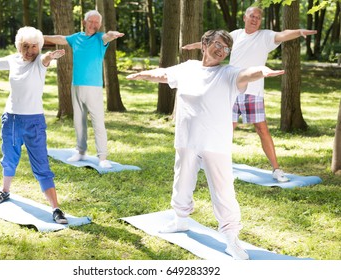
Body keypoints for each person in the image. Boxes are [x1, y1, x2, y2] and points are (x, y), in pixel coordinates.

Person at [127, 30, 284, 260]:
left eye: (226, 48)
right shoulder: (188, 67)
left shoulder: (229, 73)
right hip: (187, 139)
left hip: (215, 143)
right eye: (218, 44)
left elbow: (248, 73)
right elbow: (162, 74)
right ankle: (180, 219)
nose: (221, 50)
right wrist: (142, 75)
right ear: (205, 44)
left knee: (223, 191)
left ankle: (231, 238)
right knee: (182, 181)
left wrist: (263, 71)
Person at [183, 6, 317, 183]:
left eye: (258, 18)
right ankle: (210, 160)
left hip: (253, 92)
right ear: (245, 18)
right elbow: (214, 43)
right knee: (226, 128)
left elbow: (283, 34)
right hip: (230, 89)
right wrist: (193, 46)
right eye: (252, 16)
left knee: (262, 129)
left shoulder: (265, 36)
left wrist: (299, 32)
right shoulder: (235, 35)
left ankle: (276, 169)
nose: (255, 20)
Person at [0, 26, 68, 224]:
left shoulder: (40, 61)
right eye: (26, 46)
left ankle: (56, 209)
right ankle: (5, 191)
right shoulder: (13, 59)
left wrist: (51, 55)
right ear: (19, 46)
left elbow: (46, 59)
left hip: (34, 122)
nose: (30, 50)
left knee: (41, 165)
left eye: (34, 46)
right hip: (11, 119)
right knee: (9, 157)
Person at [44, 10, 124, 169]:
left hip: (93, 87)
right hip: (76, 85)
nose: (94, 25)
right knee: (79, 121)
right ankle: (80, 151)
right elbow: (60, 38)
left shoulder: (100, 39)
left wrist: (112, 34)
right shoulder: (76, 38)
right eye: (91, 21)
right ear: (84, 22)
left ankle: (102, 157)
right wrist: (42, 37)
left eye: (97, 22)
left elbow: (107, 36)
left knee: (97, 122)